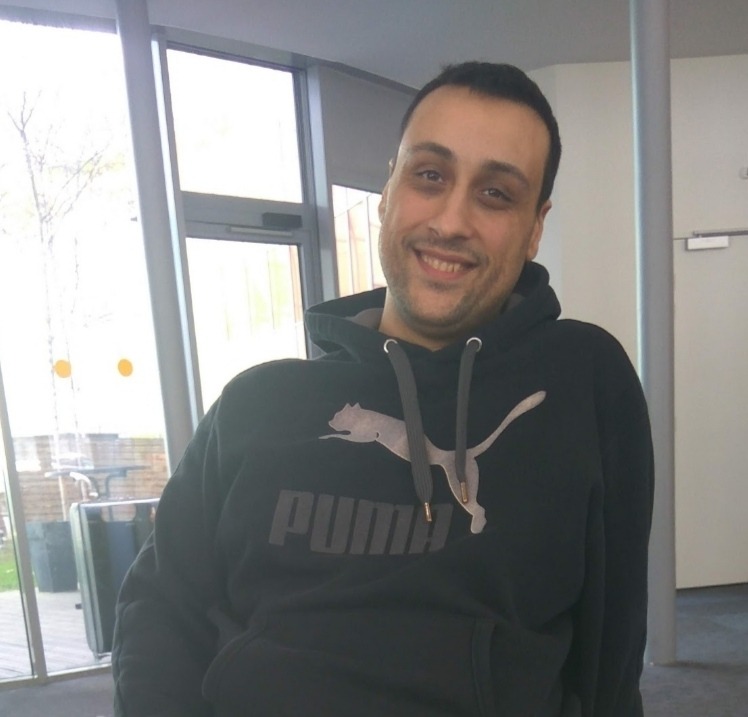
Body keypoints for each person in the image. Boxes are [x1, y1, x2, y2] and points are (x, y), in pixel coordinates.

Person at [112, 61, 653, 716]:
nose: (451, 220)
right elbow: (159, 609)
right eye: (430, 176)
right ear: (387, 192)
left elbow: (612, 646)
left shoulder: (580, 377)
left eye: (495, 194)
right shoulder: (257, 402)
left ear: (535, 228)